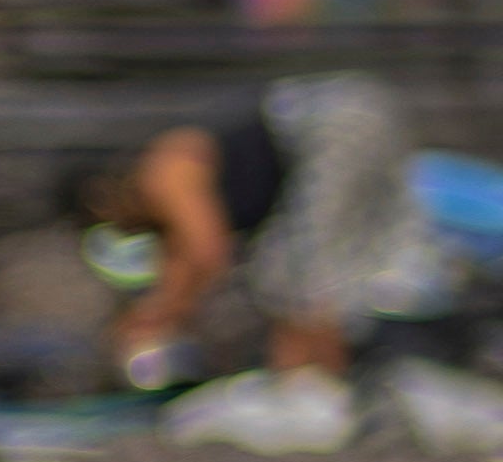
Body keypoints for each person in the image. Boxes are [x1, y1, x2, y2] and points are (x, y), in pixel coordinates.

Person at [81, 70, 432, 385]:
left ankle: (309, 388)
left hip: (336, 124)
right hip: (361, 115)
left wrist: (155, 317)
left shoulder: (162, 172)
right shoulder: (170, 195)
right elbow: (180, 262)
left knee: (293, 275)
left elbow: (204, 250)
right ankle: (320, 384)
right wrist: (166, 309)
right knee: (330, 275)